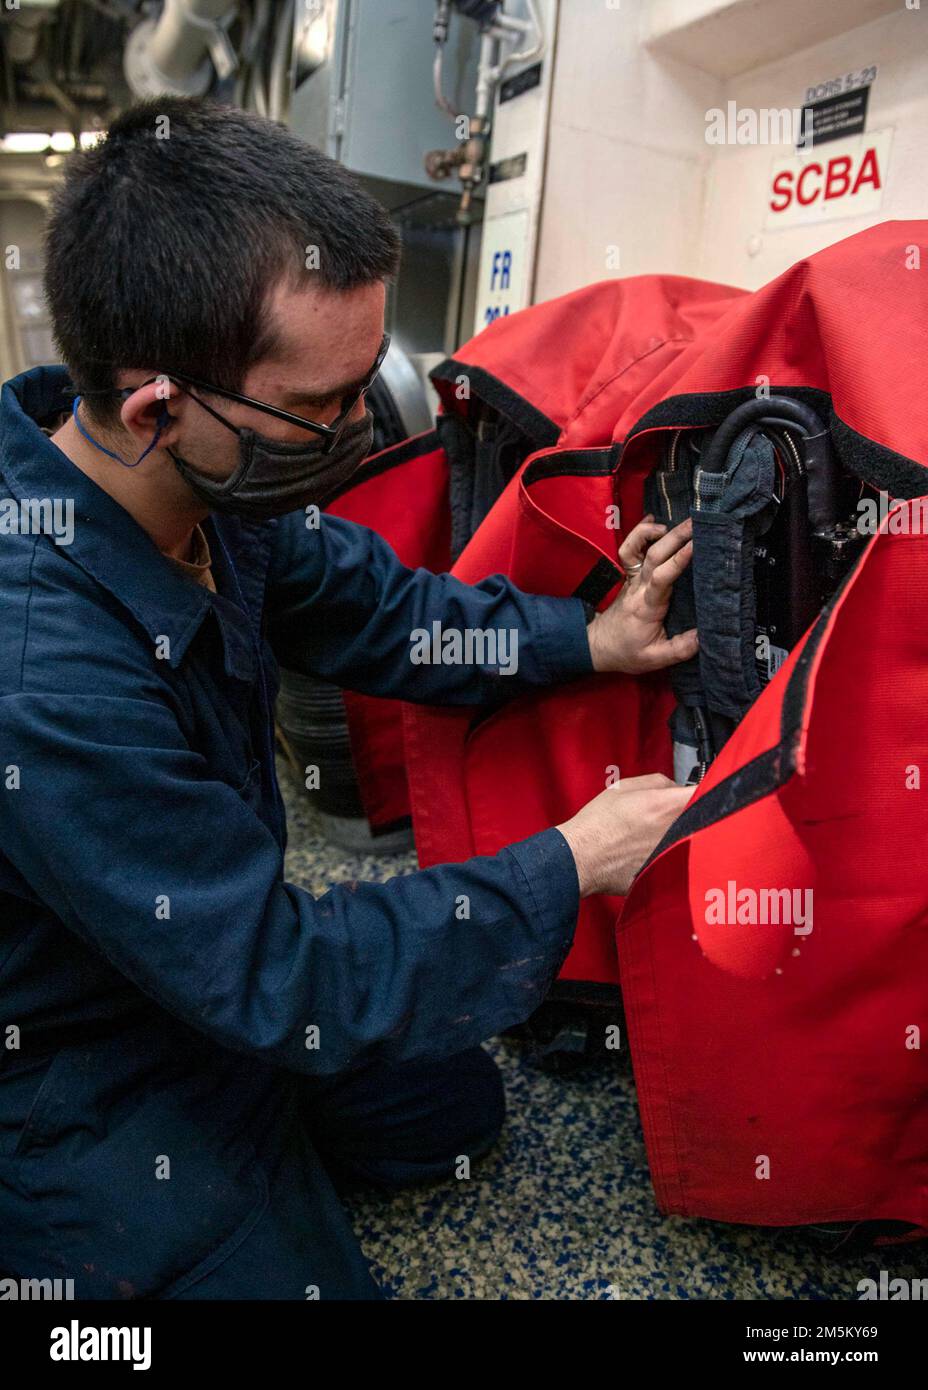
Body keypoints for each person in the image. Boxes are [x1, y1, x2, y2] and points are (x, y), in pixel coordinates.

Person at [0, 97, 696, 1300]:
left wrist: (589, 636)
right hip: (79, 1058)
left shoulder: (207, 486)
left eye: (368, 381)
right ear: (160, 409)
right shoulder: (37, 668)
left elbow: (378, 609)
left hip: (209, 965)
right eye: (325, 407)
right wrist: (567, 862)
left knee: (450, 1115)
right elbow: (276, 969)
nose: (365, 427)